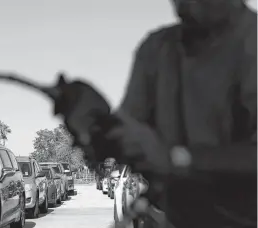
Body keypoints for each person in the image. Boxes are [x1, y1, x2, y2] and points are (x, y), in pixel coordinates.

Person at [106, 0, 257, 228]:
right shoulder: (156, 48)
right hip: (171, 217)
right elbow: (125, 134)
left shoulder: (251, 41)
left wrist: (179, 158)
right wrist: (95, 123)